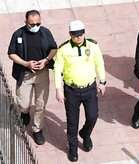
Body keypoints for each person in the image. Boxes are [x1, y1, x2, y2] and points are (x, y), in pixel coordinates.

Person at [53, 20, 106, 162]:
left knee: (93, 116)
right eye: (75, 35)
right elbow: (57, 70)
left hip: (89, 88)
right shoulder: (63, 49)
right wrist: (58, 89)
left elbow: (99, 63)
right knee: (72, 122)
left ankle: (85, 134)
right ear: (70, 34)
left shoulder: (93, 46)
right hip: (71, 90)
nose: (78, 37)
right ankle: (73, 148)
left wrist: (102, 81)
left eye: (81, 34)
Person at [7, 10, 57, 145]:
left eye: (38, 24)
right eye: (32, 24)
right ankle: (25, 113)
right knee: (23, 103)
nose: (35, 26)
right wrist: (26, 64)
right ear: (26, 22)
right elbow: (11, 53)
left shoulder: (45, 32)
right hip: (25, 74)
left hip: (42, 73)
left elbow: (54, 48)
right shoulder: (18, 34)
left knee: (41, 104)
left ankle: (37, 129)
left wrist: (46, 60)